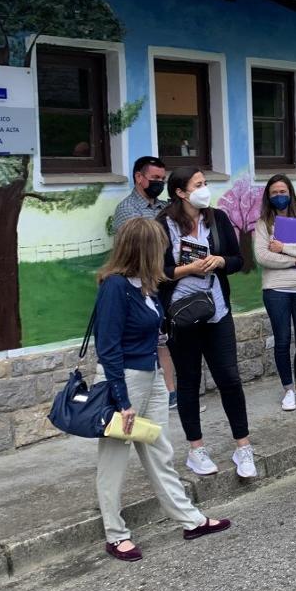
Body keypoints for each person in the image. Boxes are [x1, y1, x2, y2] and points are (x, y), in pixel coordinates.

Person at [92, 218, 229, 562]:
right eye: (159, 246)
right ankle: (115, 534)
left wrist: (163, 378)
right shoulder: (115, 287)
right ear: (143, 249)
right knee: (114, 460)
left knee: (159, 451)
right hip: (123, 380)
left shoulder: (145, 285)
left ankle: (190, 520)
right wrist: (122, 401)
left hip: (149, 377)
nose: (164, 251)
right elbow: (107, 347)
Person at [157, 167, 256, 479]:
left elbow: (238, 260)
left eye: (205, 183)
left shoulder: (218, 218)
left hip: (217, 311)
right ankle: (196, 450)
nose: (204, 189)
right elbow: (157, 271)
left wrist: (221, 261)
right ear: (180, 192)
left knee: (229, 378)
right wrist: (188, 269)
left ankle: (243, 447)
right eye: (197, 184)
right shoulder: (162, 225)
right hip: (181, 315)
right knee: (188, 381)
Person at [112, 155, 186, 413]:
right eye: (154, 178)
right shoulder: (127, 210)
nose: (159, 183)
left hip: (165, 281)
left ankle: (170, 394)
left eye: (162, 179)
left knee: (163, 340)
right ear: (139, 177)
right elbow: (135, 249)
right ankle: (152, 397)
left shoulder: (165, 207)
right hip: (142, 284)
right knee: (152, 340)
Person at [253, 174, 296, 412]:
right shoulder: (264, 223)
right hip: (276, 289)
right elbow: (263, 256)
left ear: (290, 193)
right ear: (268, 196)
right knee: (282, 340)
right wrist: (295, 260)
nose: (279, 196)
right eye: (274, 193)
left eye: (282, 192)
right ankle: (288, 389)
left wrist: (282, 247)